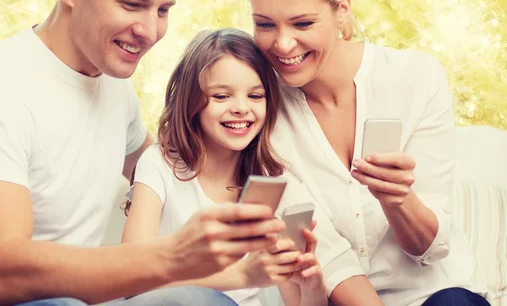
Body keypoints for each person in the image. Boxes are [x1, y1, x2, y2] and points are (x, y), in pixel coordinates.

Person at [0, 0, 285, 306]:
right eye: (131, 4)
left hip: (85, 303)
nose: (149, 31)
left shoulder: (113, 85)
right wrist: (174, 256)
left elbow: (163, 162)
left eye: (162, 11)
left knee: (203, 300)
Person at [244, 0, 491, 306]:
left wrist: (397, 200)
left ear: (342, 10)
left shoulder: (416, 78)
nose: (283, 44)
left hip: (433, 296)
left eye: (302, 23)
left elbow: (431, 248)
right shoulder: (260, 112)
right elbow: (323, 254)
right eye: (265, 24)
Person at [123, 28, 379, 306]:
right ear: (191, 100)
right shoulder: (160, 163)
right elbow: (131, 280)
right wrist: (239, 275)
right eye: (222, 96)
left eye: (255, 96)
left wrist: (311, 286)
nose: (241, 108)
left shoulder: (274, 183)